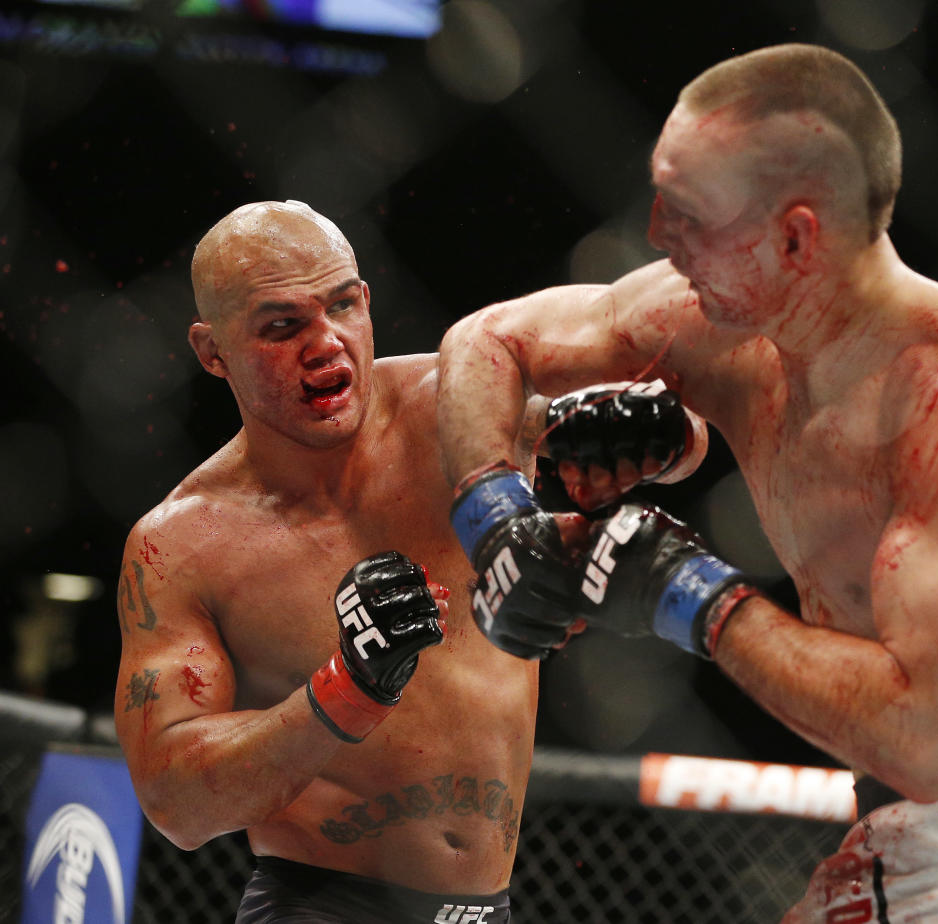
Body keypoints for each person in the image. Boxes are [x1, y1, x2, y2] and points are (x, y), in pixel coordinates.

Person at [435, 44, 938, 922]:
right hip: (923, 832)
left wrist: (683, 590)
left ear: (794, 236)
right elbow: (487, 342)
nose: (657, 234)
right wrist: (498, 519)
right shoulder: (719, 326)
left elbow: (924, 744)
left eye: (689, 213)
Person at [113, 200, 686, 923]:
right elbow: (175, 803)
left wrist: (650, 437)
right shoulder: (180, 545)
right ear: (212, 350)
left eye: (341, 305)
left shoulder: (459, 406)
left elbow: (679, 425)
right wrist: (347, 688)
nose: (326, 345)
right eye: (282, 327)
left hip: (490, 908)